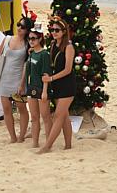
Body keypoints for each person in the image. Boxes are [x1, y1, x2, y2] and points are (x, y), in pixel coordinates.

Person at [0, 18, 31, 143]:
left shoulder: (28, 44)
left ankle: (21, 136)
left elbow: (27, 65)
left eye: (23, 26)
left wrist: (22, 84)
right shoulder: (7, 39)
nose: (19, 28)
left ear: (27, 30)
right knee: (6, 109)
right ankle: (13, 137)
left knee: (22, 109)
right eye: (18, 25)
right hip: (5, 79)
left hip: (19, 80)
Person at [38, 17, 76, 153]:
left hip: (67, 84)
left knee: (58, 116)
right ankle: (68, 145)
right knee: (64, 116)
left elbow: (68, 69)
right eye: (52, 30)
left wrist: (51, 78)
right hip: (56, 84)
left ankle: (47, 146)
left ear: (64, 31)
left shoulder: (69, 47)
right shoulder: (54, 44)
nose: (54, 32)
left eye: (57, 30)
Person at [24, 24, 53, 148]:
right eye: (29, 38)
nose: (31, 41)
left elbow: (46, 74)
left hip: (42, 88)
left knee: (45, 117)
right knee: (34, 117)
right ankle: (35, 143)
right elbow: (28, 72)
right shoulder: (31, 53)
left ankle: (48, 143)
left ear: (40, 39)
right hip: (32, 88)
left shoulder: (44, 54)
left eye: (33, 38)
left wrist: (45, 92)